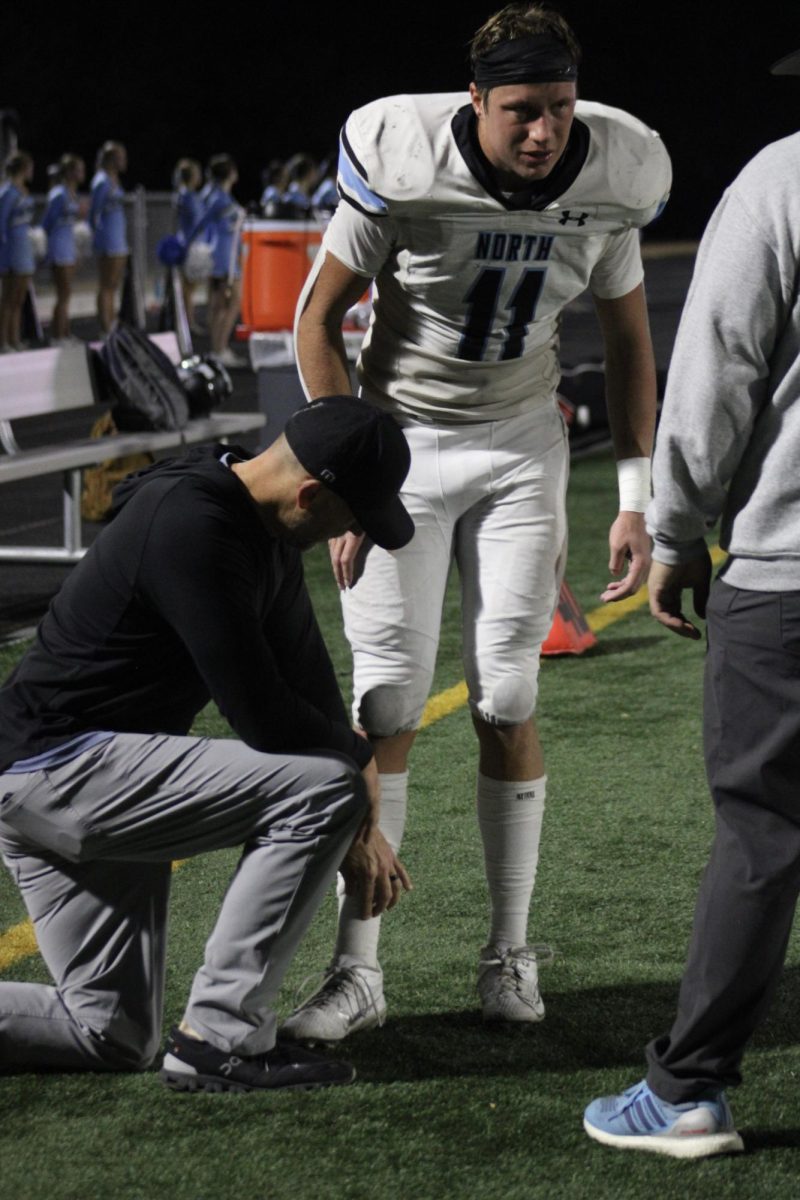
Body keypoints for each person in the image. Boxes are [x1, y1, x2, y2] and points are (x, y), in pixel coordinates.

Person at [284, 1, 671, 1043]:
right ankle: (357, 968)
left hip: (515, 448)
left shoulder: (613, 174)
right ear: (474, 102)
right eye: (519, 112)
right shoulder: (401, 158)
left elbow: (629, 342)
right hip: (398, 444)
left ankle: (507, 949)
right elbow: (313, 322)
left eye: (557, 107)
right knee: (385, 697)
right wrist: (348, 474)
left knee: (506, 689)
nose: (543, 131)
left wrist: (633, 498)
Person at [0, 396, 413, 1092]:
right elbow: (264, 718)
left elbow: (306, 676)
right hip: (60, 769)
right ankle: (221, 1039)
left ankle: (203, 1038)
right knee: (323, 787)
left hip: (71, 779)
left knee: (110, 1032)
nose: (356, 535)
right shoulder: (192, 525)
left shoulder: (260, 520)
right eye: (353, 519)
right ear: (311, 495)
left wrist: (359, 800)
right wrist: (360, 767)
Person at [583, 48, 800, 1160]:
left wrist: (672, 532)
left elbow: (716, 370)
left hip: (788, 577)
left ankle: (685, 1092)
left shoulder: (779, 180)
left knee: (762, 836)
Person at [185, 154, 244, 367]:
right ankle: (219, 349)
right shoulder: (218, 197)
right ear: (229, 173)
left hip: (224, 254)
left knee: (220, 304)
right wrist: (188, 247)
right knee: (232, 302)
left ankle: (218, 348)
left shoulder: (217, 195)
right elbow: (201, 222)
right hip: (223, 257)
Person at [41, 153, 86, 343]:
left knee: (67, 294)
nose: (82, 173)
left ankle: (65, 333)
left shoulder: (70, 194)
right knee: (63, 293)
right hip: (59, 249)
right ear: (69, 172)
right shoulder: (58, 194)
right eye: (78, 170)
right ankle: (57, 335)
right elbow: (46, 223)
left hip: (69, 248)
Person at [89, 140, 128, 333]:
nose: (124, 161)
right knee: (106, 284)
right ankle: (106, 326)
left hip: (117, 238)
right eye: (120, 157)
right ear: (112, 160)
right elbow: (93, 212)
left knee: (113, 284)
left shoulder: (113, 179)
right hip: (108, 239)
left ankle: (111, 322)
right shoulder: (102, 181)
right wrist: (95, 237)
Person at [0, 150, 35, 352]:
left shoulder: (23, 191)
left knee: (19, 298)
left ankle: (15, 338)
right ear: (23, 168)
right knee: (8, 299)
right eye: (29, 167)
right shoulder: (7, 192)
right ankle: (3, 341)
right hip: (11, 249)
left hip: (24, 248)